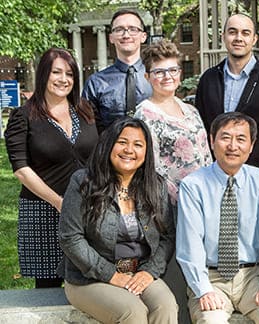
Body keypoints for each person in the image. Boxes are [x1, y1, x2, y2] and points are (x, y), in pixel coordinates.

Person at [58, 117, 177, 323]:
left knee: (166, 306)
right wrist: (111, 275)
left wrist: (149, 272)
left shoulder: (155, 185)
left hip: (140, 271)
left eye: (138, 145)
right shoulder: (83, 181)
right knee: (132, 312)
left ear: (146, 152)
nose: (129, 150)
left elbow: (168, 236)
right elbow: (70, 238)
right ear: (109, 145)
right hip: (89, 278)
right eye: (122, 142)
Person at [177, 112, 259, 323]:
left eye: (241, 139)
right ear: (211, 140)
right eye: (225, 137)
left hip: (252, 276)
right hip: (211, 277)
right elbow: (190, 245)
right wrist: (203, 289)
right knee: (212, 320)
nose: (232, 146)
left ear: (252, 145)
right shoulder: (193, 185)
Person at [4, 48, 98, 288]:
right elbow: (21, 169)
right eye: (56, 72)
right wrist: (59, 202)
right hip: (43, 210)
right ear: (44, 74)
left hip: (87, 208)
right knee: (49, 286)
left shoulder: (85, 111)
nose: (63, 79)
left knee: (91, 278)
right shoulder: (23, 116)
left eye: (69, 74)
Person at [194, 13, 259, 168]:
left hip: (257, 175)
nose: (238, 38)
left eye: (245, 33)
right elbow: (200, 129)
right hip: (213, 173)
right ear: (223, 36)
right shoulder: (208, 80)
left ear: (254, 39)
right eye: (232, 32)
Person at [134, 39, 212, 204]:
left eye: (172, 70)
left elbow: (206, 156)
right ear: (147, 77)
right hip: (173, 204)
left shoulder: (191, 110)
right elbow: (151, 169)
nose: (167, 76)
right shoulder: (145, 115)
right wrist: (182, 200)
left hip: (204, 197)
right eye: (159, 72)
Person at [83, 9, 152, 133]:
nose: (126, 35)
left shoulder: (156, 78)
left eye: (133, 29)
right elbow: (88, 132)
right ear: (111, 38)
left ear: (143, 37)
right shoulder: (95, 83)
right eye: (119, 30)